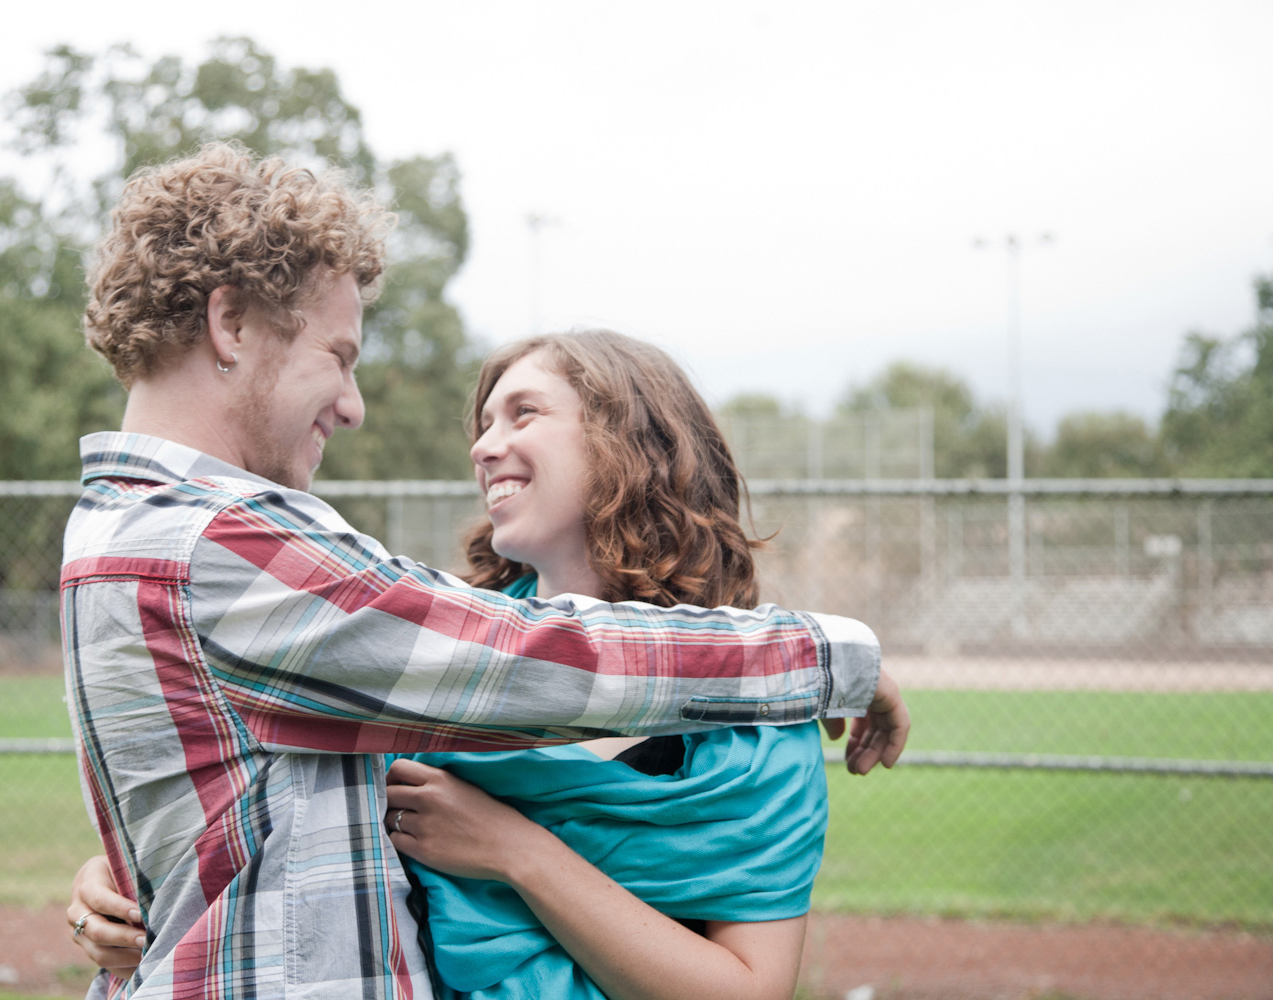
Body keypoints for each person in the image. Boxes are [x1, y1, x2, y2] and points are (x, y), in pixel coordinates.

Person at [61, 141, 908, 1000]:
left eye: (527, 413)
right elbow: (539, 662)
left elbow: (251, 784)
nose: (352, 406)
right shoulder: (224, 545)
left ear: (630, 447)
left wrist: (149, 867)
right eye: (341, 357)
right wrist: (829, 660)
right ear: (231, 324)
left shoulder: (145, 536)